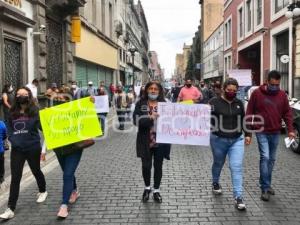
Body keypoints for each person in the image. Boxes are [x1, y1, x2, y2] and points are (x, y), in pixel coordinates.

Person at [246, 70, 295, 201]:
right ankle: (265, 188)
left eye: (277, 84)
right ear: (267, 81)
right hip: (261, 130)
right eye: (273, 84)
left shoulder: (282, 95)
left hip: (275, 131)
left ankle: (266, 183)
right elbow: (249, 112)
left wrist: (290, 130)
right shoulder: (257, 93)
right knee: (265, 157)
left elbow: (287, 114)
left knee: (271, 160)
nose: (275, 87)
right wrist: (248, 133)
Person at [0, 87, 47, 220]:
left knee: (36, 170)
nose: (21, 96)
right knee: (15, 178)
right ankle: (10, 208)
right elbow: (9, 129)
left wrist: (49, 117)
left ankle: (43, 190)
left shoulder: (35, 111)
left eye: (24, 94)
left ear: (29, 96)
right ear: (16, 96)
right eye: (19, 94)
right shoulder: (11, 112)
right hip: (18, 149)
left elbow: (43, 127)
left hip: (33, 147)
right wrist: (13, 140)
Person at [209, 78, 251, 210]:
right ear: (223, 89)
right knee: (218, 163)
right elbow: (200, 114)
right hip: (218, 139)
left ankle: (238, 197)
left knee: (236, 167)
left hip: (237, 140)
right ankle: (215, 182)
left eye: (234, 90)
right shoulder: (213, 102)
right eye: (229, 90)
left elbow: (244, 119)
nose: (232, 92)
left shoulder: (239, 103)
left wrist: (248, 134)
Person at [133, 81, 171, 203]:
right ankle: (147, 188)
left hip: (161, 141)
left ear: (159, 91)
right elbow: (136, 120)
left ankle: (156, 190)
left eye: (156, 89)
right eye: (151, 88)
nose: (153, 91)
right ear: (147, 90)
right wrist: (149, 118)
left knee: (158, 166)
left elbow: (176, 118)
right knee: (146, 166)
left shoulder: (165, 104)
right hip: (145, 140)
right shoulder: (141, 104)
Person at [0, 120, 7, 184]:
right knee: (1, 165)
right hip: (0, 150)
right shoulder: (1, 123)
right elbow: (5, 135)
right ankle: (1, 178)